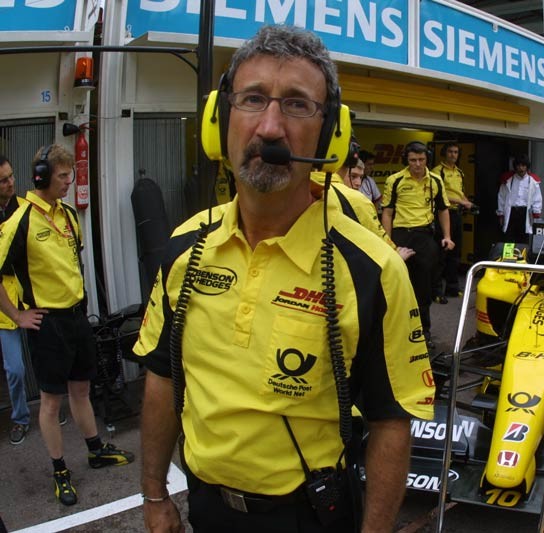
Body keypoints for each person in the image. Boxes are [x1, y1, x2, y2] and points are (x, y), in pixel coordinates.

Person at [135, 25, 434, 532]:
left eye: (297, 105)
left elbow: (390, 422)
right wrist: (153, 494)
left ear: (331, 135)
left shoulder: (372, 269)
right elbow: (162, 378)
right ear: (220, 121)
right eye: (252, 99)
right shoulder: (185, 247)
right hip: (205, 510)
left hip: (309, 516)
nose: (270, 128)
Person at [0, 144, 134, 506]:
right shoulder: (20, 221)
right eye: (62, 176)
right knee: (50, 402)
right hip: (47, 324)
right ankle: (60, 469)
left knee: (81, 390)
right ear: (42, 176)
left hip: (77, 317)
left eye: (70, 174)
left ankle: (95, 450)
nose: (69, 182)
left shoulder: (70, 215)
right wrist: (17, 315)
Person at [382, 141, 454, 351]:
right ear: (407, 160)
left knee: (423, 289)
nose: (417, 164)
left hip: (424, 235)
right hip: (400, 235)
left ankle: (423, 332)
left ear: (427, 159)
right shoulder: (394, 180)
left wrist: (447, 236)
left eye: (421, 160)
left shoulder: (435, 181)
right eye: (413, 160)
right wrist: (388, 243)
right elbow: (387, 212)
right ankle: (394, 332)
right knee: (396, 285)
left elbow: (443, 210)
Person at [0, 155, 30, 445]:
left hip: (29, 297)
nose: (11, 183)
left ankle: (48, 408)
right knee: (15, 370)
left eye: (11, 176)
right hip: (3, 307)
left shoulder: (24, 209)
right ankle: (20, 417)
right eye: (4, 180)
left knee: (46, 359)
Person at [431, 142, 473, 301]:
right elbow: (439, 196)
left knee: (456, 253)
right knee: (441, 254)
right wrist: (461, 202)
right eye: (450, 152)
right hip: (442, 213)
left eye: (456, 152)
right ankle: (436, 291)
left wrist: (466, 201)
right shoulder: (437, 172)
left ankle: (452, 288)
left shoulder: (460, 172)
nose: (453, 155)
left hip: (456, 215)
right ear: (444, 153)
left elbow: (460, 194)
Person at [497, 154, 543, 244]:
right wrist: (501, 214)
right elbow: (501, 197)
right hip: (511, 213)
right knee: (508, 239)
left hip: (525, 213)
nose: (521, 168)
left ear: (527, 167)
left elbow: (537, 198)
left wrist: (536, 214)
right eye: (518, 165)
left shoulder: (533, 181)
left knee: (523, 240)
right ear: (515, 167)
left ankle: (521, 257)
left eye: (523, 165)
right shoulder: (508, 180)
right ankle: (508, 258)